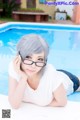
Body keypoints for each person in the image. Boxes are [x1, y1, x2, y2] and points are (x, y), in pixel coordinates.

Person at [8, 34, 80, 109]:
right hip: (51, 75)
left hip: (67, 80)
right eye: (28, 57)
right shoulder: (14, 67)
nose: (33, 66)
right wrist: (23, 78)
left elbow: (62, 102)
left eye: (40, 59)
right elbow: (14, 105)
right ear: (19, 56)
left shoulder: (51, 74)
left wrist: (43, 103)